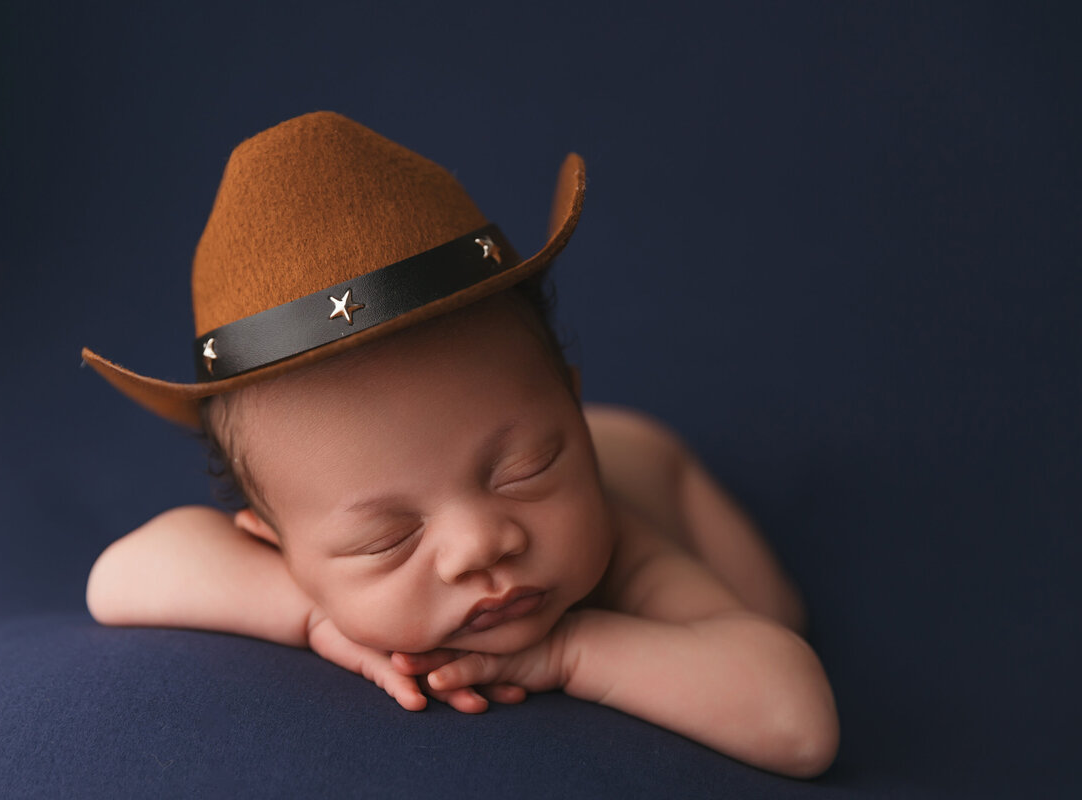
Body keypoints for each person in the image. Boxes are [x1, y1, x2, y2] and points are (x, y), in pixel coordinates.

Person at [81, 111, 839, 778]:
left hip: (657, 467)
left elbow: (797, 723)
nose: (481, 544)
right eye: (387, 538)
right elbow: (117, 577)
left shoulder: (626, 544)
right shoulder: (304, 575)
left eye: (528, 468)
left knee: (773, 610)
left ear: (570, 411)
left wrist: (569, 652)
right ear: (278, 547)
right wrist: (312, 615)